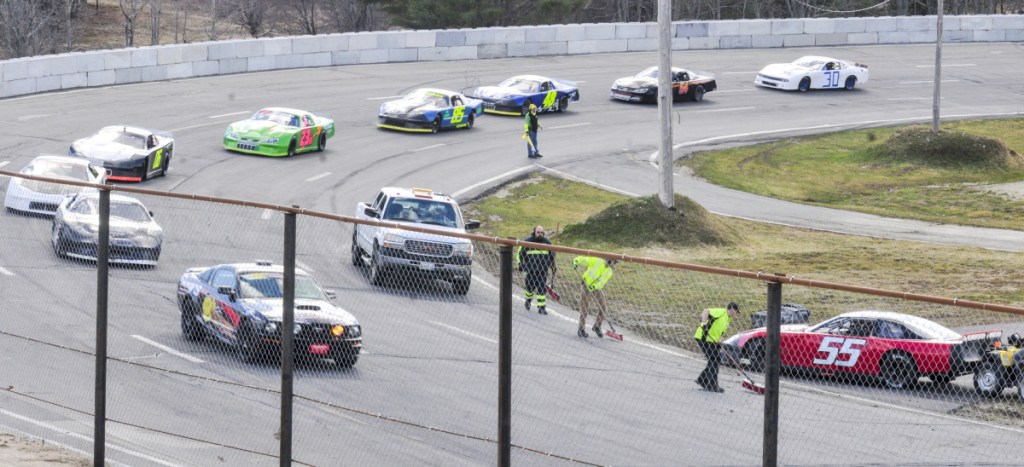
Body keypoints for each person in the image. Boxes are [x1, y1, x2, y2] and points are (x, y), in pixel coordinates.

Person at [694, 302, 740, 392]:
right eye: (736, 311)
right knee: (714, 359)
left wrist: (719, 341)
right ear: (731, 309)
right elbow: (705, 311)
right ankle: (712, 385)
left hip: (711, 341)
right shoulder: (721, 312)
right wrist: (704, 324)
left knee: (715, 359)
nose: (736, 314)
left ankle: (702, 380)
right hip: (703, 338)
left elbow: (720, 332)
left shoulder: (727, 319)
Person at [572, 256, 616, 338]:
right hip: (586, 285)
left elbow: (602, 282)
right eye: (615, 262)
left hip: (596, 288)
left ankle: (597, 326)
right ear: (609, 261)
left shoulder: (609, 272)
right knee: (584, 308)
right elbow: (585, 260)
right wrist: (576, 261)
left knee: (603, 307)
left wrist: (594, 287)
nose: (615, 265)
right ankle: (581, 329)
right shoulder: (597, 261)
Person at [516, 225, 556, 315]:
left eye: (542, 232)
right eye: (538, 232)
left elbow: (552, 257)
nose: (540, 234)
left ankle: (541, 308)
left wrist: (553, 267)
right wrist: (520, 264)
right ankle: (528, 301)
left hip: (542, 271)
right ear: (534, 232)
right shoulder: (527, 242)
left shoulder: (547, 243)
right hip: (529, 271)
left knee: (541, 289)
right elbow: (519, 254)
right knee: (529, 288)